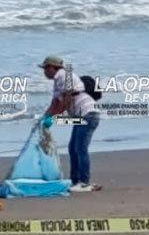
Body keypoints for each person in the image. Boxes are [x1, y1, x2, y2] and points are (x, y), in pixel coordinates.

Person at [40, 56, 102, 192]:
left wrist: (54, 118)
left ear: (52, 67)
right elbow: (55, 102)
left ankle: (84, 182)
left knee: (80, 148)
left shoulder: (63, 76)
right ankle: (75, 181)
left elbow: (65, 100)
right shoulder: (58, 80)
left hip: (88, 114)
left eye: (45, 68)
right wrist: (44, 119)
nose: (44, 72)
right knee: (72, 148)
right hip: (81, 116)